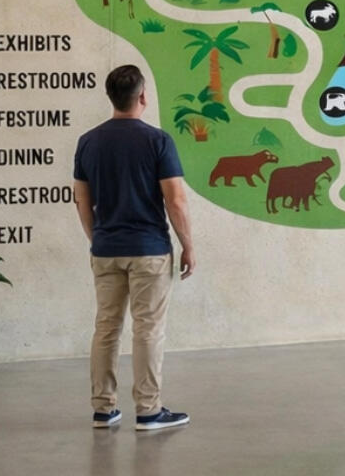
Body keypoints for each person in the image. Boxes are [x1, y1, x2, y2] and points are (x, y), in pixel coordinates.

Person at [72, 64, 196, 432]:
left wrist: (98, 240)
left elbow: (81, 200)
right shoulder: (158, 141)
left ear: (111, 97)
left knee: (106, 327)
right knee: (148, 329)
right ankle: (148, 410)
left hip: (106, 248)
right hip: (149, 250)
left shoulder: (88, 142)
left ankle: (103, 409)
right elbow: (176, 200)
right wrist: (188, 246)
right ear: (143, 97)